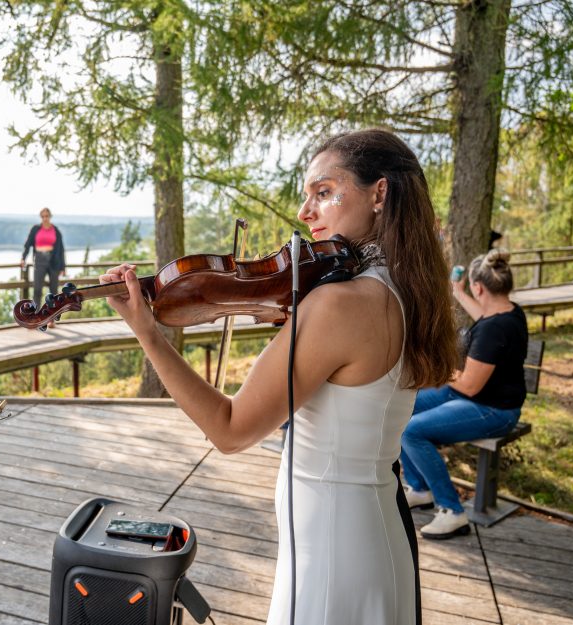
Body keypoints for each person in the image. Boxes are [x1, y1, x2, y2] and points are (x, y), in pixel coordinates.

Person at [100, 129, 459, 625]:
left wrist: (148, 333)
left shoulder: (341, 303)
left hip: (333, 550)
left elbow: (228, 428)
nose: (305, 212)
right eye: (307, 194)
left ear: (380, 193)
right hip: (370, 535)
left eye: (324, 192)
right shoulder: (402, 289)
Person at [400, 249, 528, 539]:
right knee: (402, 407)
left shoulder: (494, 330)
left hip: (493, 410)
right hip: (476, 398)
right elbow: (483, 315)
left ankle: (451, 511)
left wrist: (438, 368)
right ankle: (419, 489)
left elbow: (469, 384)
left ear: (479, 286)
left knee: (410, 431)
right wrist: (456, 291)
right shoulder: (509, 312)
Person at [20, 207, 66, 326]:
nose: (45, 218)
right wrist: (23, 258)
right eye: (43, 216)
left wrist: (63, 267)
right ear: (41, 217)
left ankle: (51, 319)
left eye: (47, 216)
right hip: (39, 260)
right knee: (37, 290)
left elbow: (61, 250)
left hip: (53, 261)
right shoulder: (35, 229)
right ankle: (36, 317)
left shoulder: (56, 231)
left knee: (53, 291)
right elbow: (27, 245)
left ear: (50, 217)